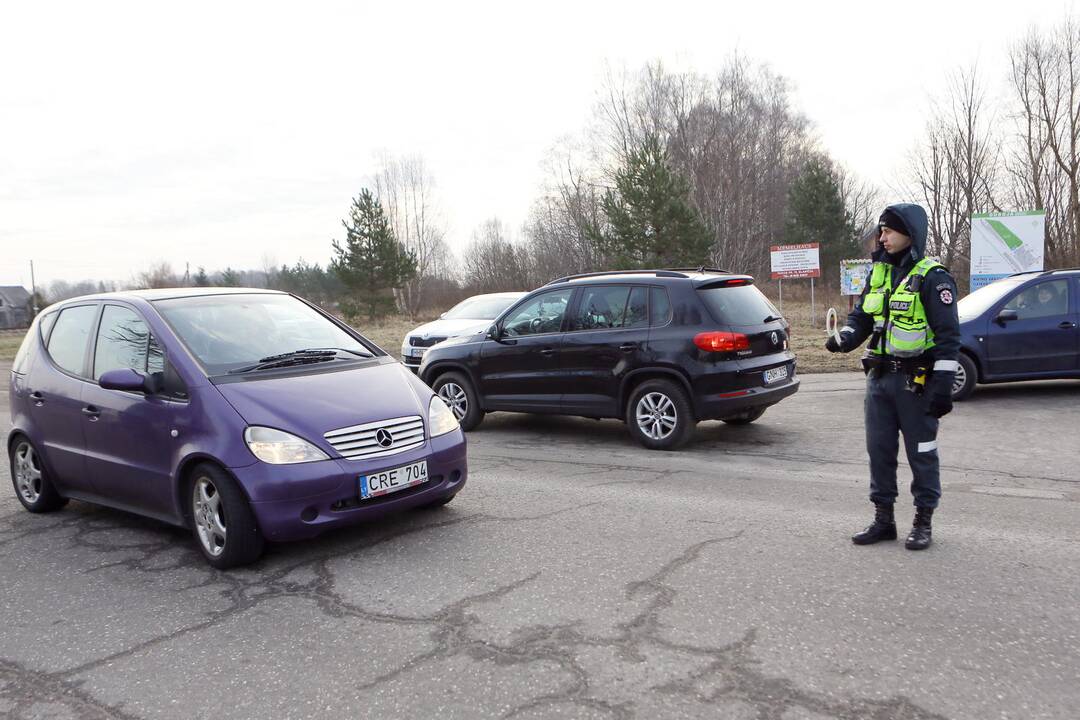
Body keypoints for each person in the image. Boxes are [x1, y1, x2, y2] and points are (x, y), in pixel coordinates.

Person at [825, 203, 961, 550]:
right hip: (879, 381)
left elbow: (948, 339)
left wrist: (943, 389)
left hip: (916, 384)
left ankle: (923, 522)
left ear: (909, 234)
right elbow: (863, 318)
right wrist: (845, 338)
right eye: (881, 231)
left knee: (922, 453)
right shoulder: (879, 273)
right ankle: (883, 520)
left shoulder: (934, 278)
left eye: (888, 231)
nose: (881, 237)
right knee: (879, 452)